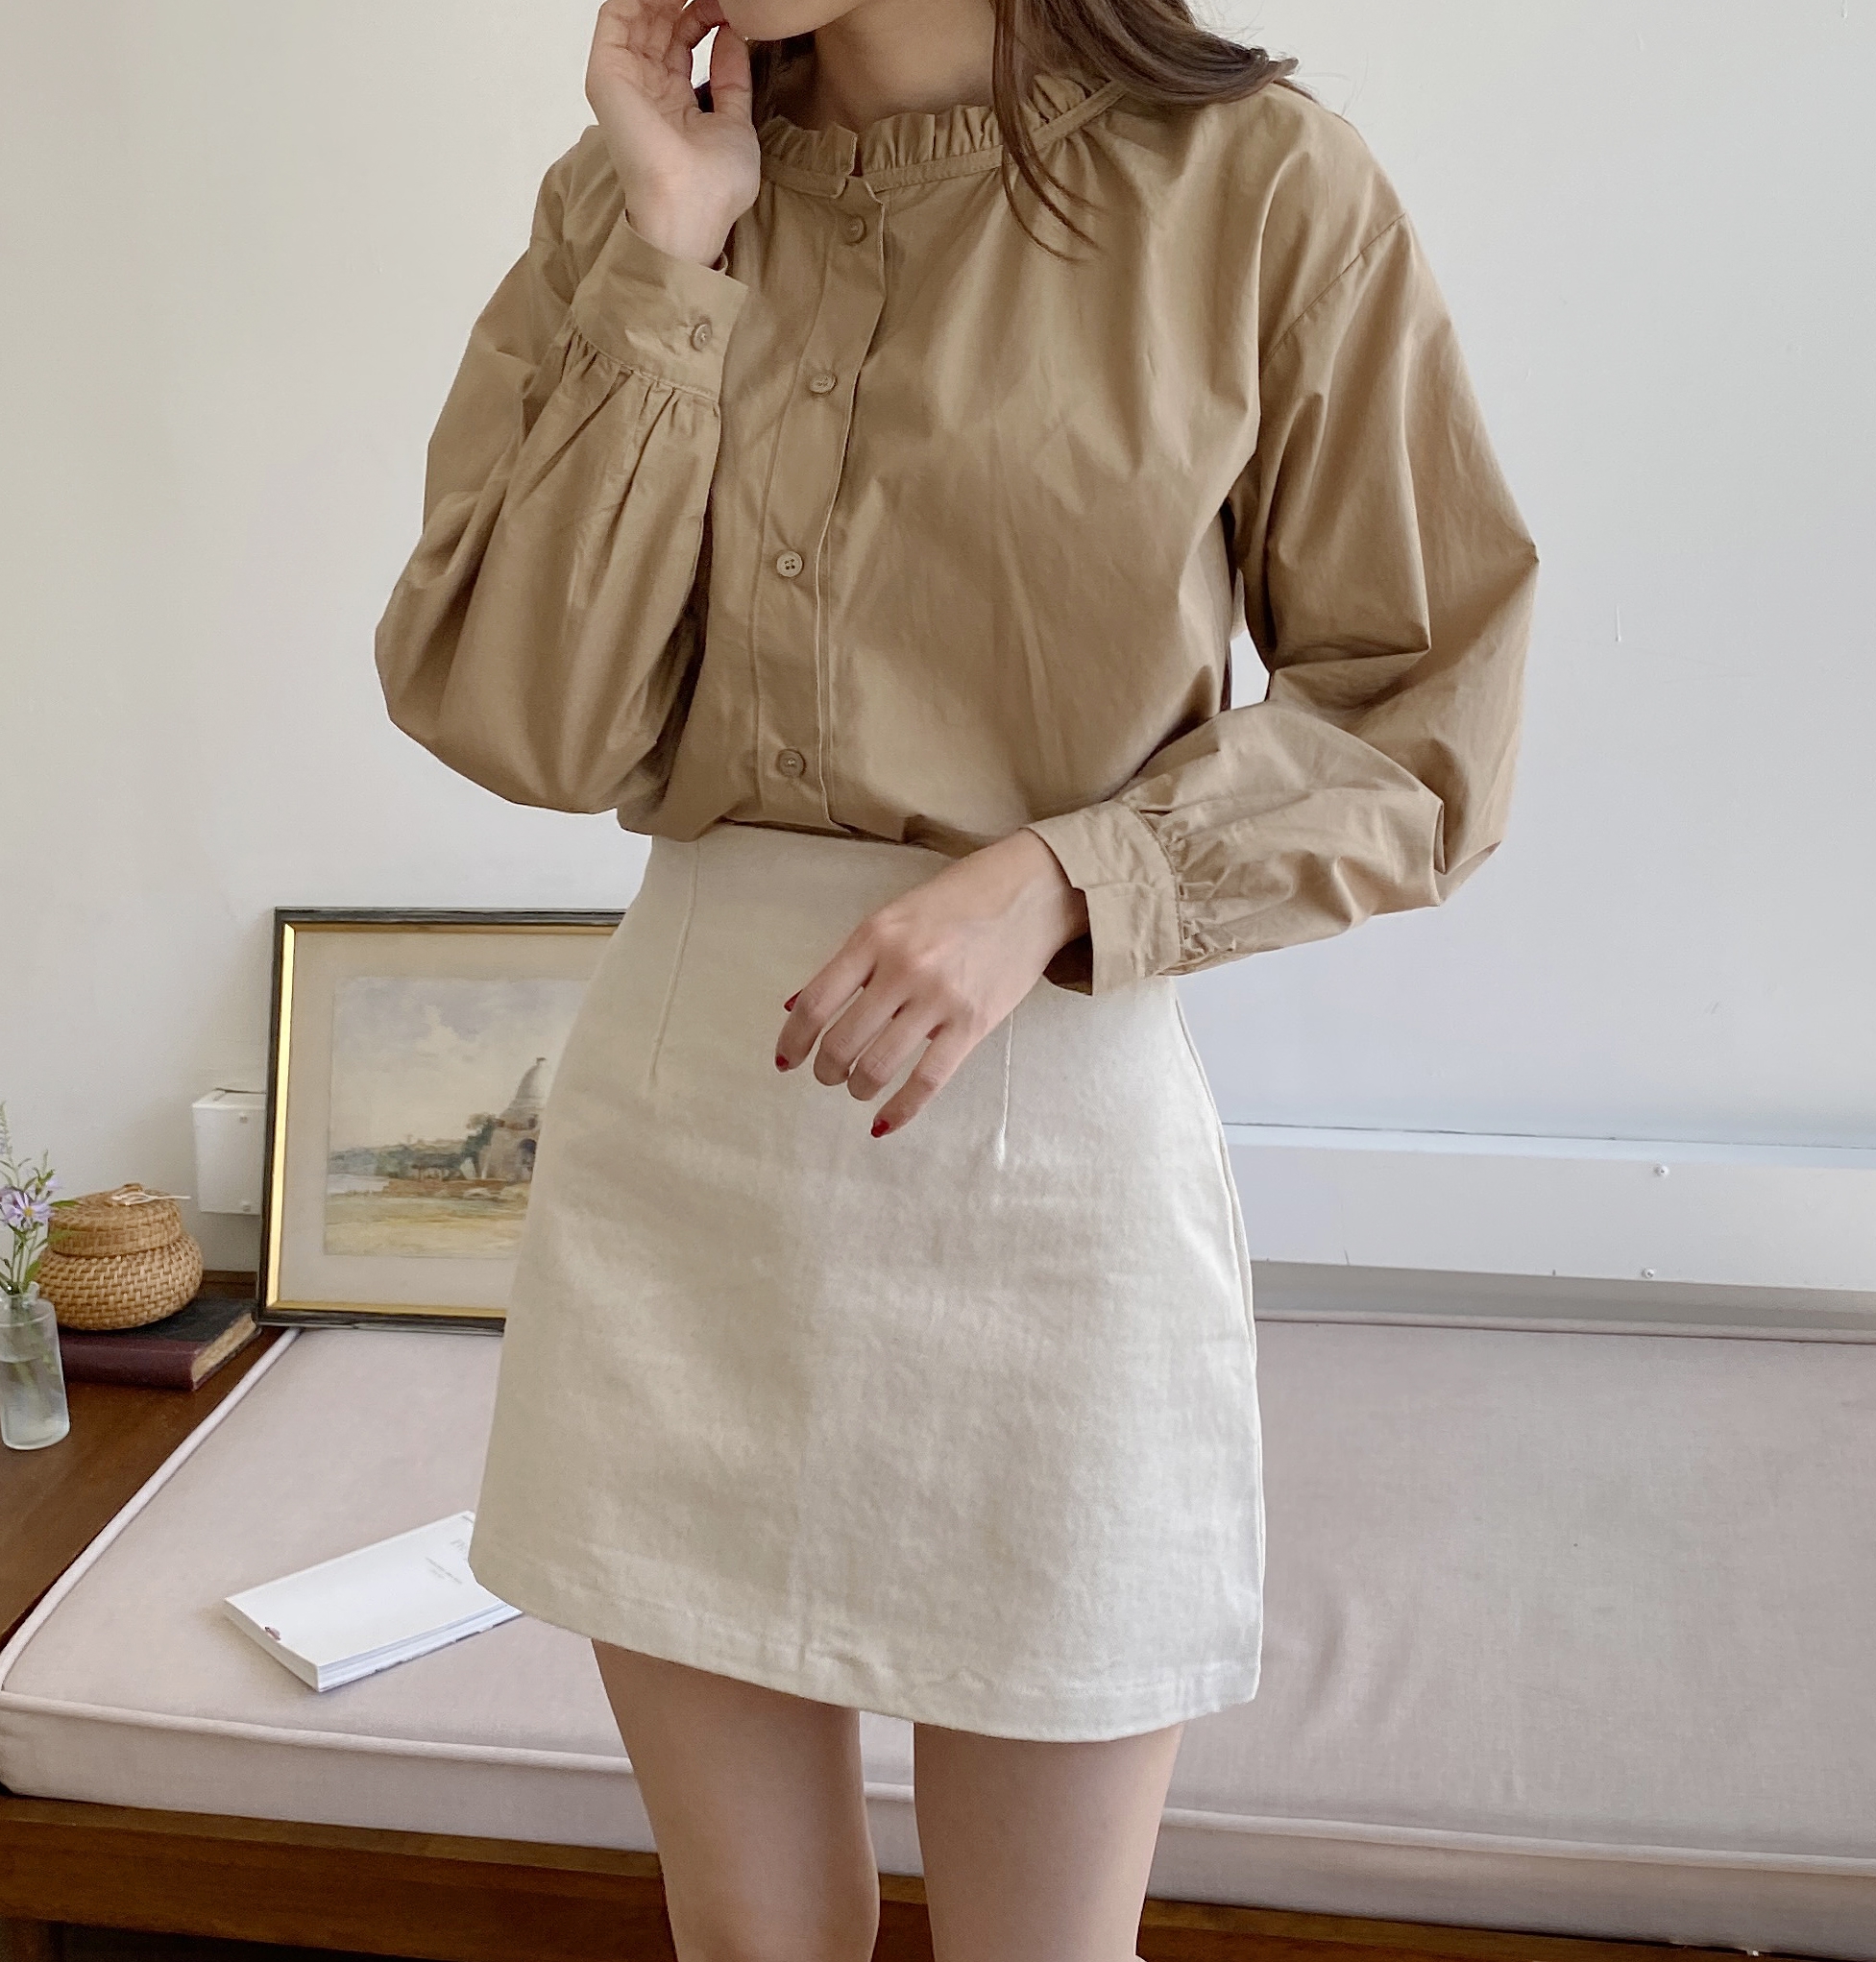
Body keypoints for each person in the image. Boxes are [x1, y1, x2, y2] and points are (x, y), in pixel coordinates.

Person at [373, 0, 1538, 1953]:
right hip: (682, 1157)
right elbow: (521, 711)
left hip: (1049, 1146)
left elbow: (1427, 713)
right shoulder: (633, 195)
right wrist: (673, 242)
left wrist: (1069, 877)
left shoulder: (1260, 189)